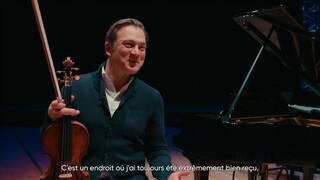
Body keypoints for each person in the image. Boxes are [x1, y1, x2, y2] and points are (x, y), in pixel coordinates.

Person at [41, 18, 191, 180]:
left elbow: (156, 149)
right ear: (108, 48)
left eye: (142, 47)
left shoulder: (151, 97)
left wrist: (167, 175)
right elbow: (52, 140)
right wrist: (51, 117)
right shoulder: (76, 88)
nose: (136, 52)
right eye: (128, 45)